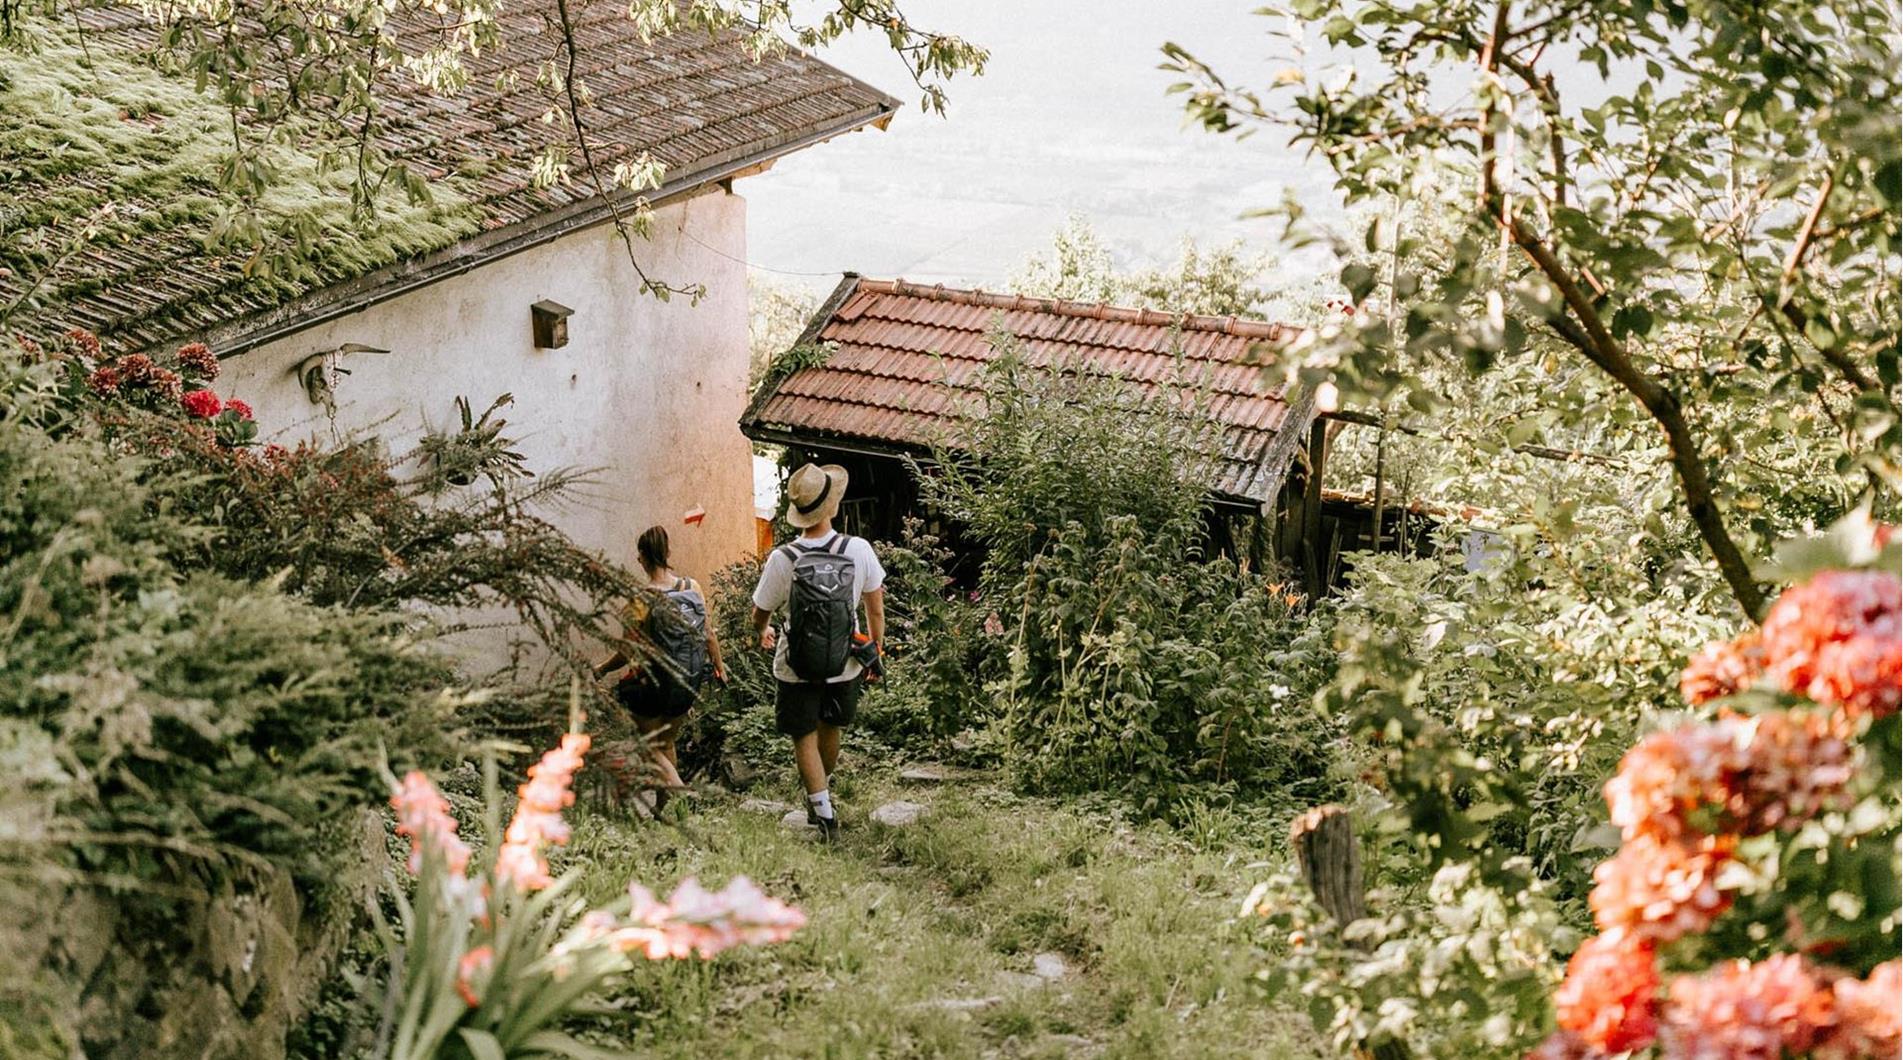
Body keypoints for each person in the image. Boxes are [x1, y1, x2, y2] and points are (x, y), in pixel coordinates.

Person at [750, 463, 885, 841]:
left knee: (803, 735)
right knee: (831, 728)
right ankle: (821, 795)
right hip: (846, 661)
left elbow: (760, 612)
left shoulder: (783, 558)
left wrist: (762, 633)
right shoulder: (858, 549)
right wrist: (876, 649)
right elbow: (875, 609)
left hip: (797, 666)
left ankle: (822, 809)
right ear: (832, 506)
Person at [595, 525, 724, 812]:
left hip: (657, 683)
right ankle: (664, 810)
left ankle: (681, 793)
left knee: (650, 745)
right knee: (667, 743)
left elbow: (629, 650)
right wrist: (719, 667)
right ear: (667, 553)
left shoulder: (641, 598)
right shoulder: (692, 587)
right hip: (689, 681)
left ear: (642, 557)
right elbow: (709, 633)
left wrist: (602, 669)